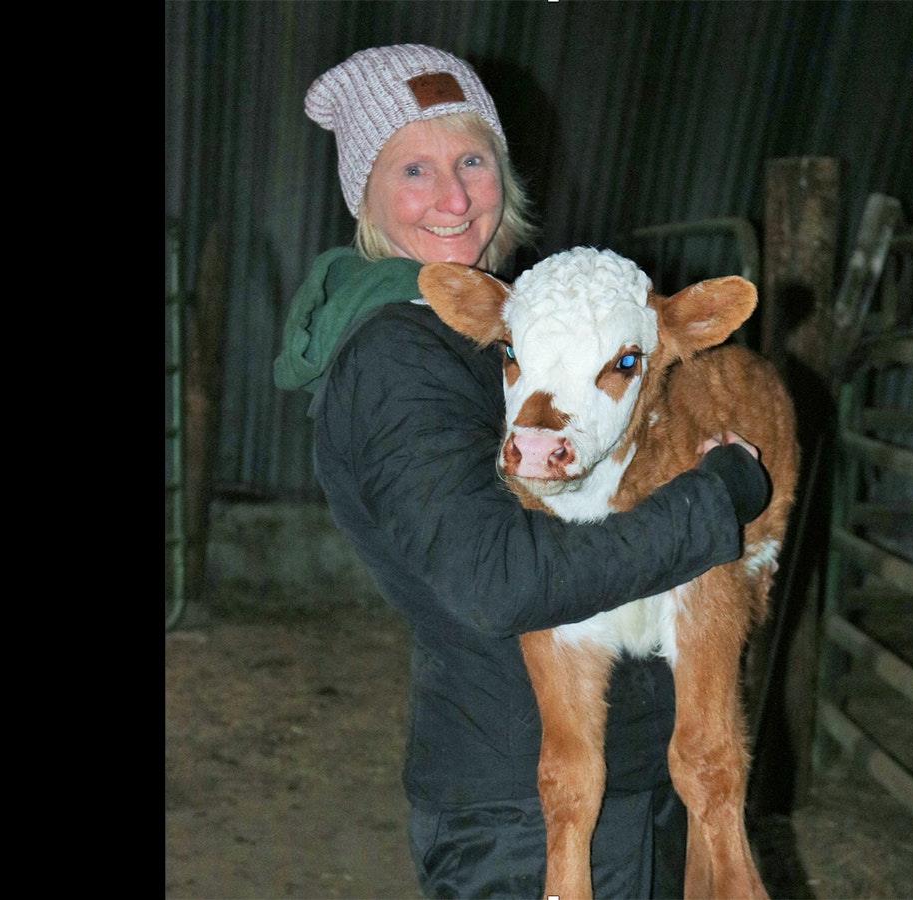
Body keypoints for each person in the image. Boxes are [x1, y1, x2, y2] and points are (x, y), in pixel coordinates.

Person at [273, 44, 771, 899]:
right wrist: (716, 499)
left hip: (603, 771)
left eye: (473, 159)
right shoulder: (399, 351)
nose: (454, 196)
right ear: (366, 193)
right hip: (526, 806)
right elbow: (495, 581)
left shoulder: (505, 329)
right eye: (414, 169)